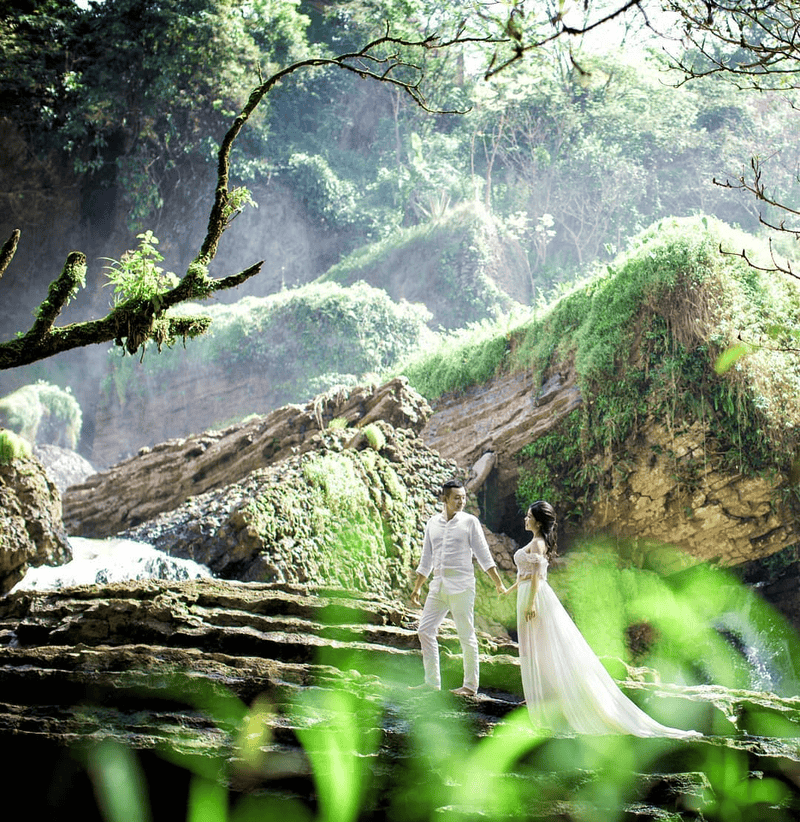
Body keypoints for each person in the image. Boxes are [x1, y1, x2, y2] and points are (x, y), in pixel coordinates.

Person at [504, 500, 700, 738]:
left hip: (536, 597)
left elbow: (537, 576)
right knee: (534, 647)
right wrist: (511, 589)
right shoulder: (535, 543)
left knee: (541, 647)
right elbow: (526, 574)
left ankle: (552, 703)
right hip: (528, 594)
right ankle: (543, 700)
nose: (525, 519)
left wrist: (532, 601)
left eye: (528, 516)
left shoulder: (538, 543)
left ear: (537, 520)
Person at [410, 479, 507, 696]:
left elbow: (483, 554)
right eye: (456, 498)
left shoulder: (470, 522)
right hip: (438, 586)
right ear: (444, 498)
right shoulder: (432, 523)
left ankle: (470, 686)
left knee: (466, 635)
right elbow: (426, 559)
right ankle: (432, 682)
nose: (461, 501)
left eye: (463, 497)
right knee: (425, 630)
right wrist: (417, 588)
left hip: (462, 587)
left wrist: (498, 584)